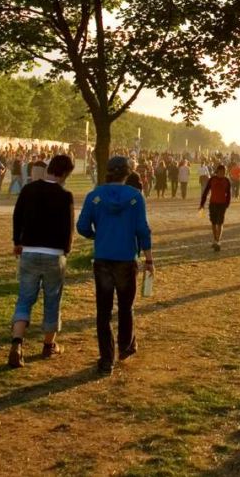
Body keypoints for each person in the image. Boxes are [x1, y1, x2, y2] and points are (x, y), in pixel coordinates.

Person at [76, 155, 154, 376]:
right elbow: (143, 229)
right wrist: (148, 258)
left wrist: (97, 235)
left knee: (103, 310)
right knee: (126, 307)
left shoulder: (94, 196)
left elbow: (82, 226)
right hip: (126, 258)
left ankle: (106, 359)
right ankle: (126, 346)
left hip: (103, 258)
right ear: (128, 173)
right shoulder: (136, 197)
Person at [9, 155, 76, 368]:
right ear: (65, 174)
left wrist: (17, 241)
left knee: (25, 298)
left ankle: (17, 343)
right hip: (54, 253)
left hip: (29, 249)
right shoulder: (65, 195)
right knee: (52, 298)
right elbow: (68, 227)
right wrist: (66, 249)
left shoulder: (29, 190)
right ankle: (48, 345)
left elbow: (17, 217)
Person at [199, 163, 233, 251]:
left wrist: (227, 203)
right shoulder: (212, 180)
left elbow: (228, 194)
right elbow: (206, 192)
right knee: (214, 223)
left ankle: (218, 241)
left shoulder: (226, 181)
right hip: (213, 203)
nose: (223, 173)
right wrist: (202, 204)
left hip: (222, 204)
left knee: (220, 223)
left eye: (224, 172)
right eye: (221, 172)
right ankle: (215, 239)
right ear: (218, 171)